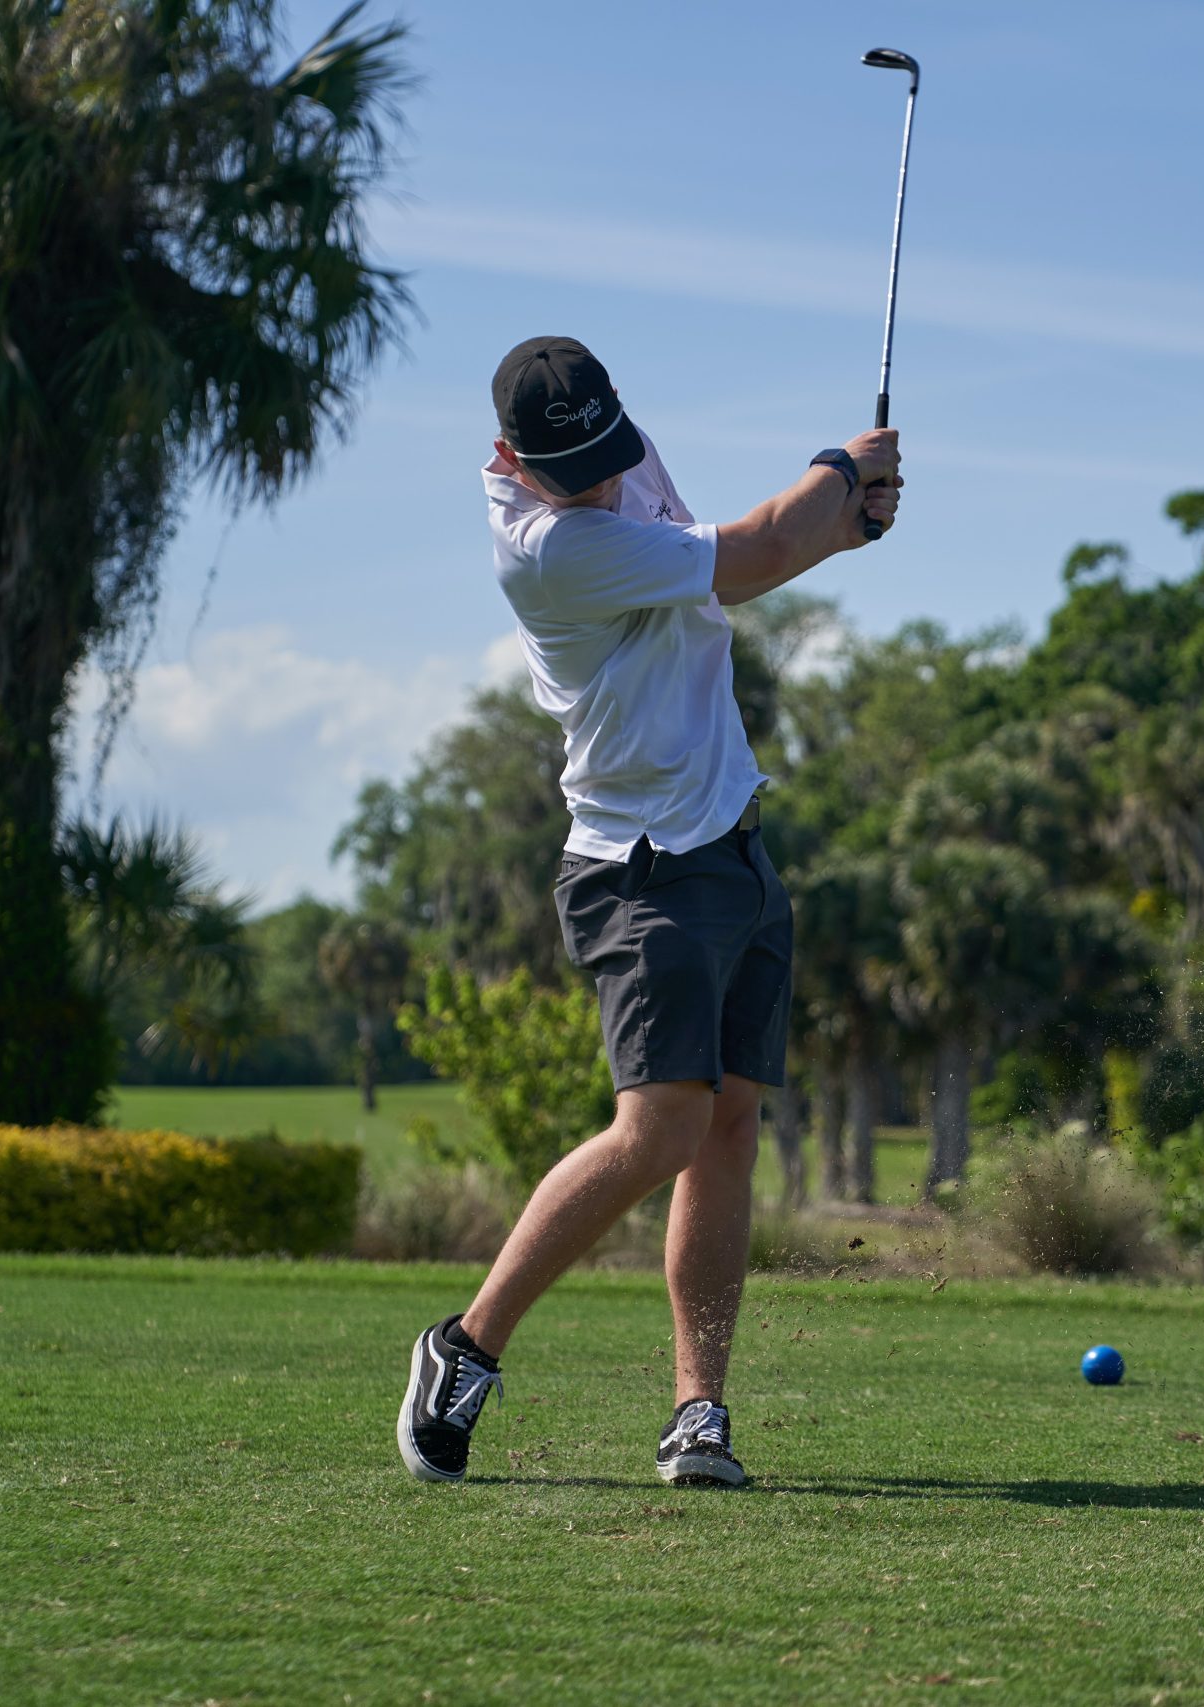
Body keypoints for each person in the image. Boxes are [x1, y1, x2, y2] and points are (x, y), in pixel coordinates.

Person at [398, 335, 901, 1487]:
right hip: (641, 863)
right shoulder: (548, 547)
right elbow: (746, 551)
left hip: (729, 836)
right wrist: (841, 469)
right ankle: (464, 1348)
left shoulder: (609, 460)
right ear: (507, 459)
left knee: (726, 1126)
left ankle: (697, 1413)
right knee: (661, 1127)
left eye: (603, 456)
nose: (596, 481)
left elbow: (749, 558)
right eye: (567, 470)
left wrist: (847, 521)